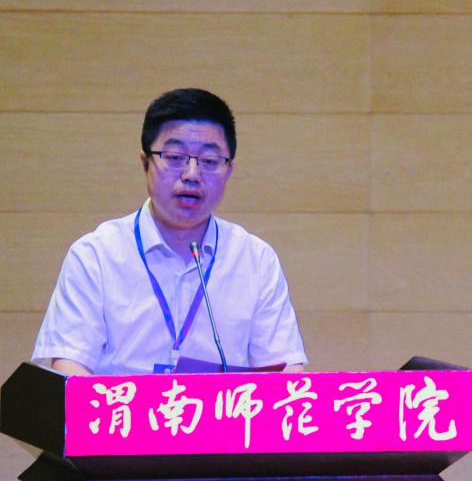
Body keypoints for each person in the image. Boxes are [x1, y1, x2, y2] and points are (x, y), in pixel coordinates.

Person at [32, 88, 307, 375]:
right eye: (175, 157)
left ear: (228, 170)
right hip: (119, 405)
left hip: (219, 407)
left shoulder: (255, 259)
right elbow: (70, 366)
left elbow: (286, 371)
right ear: (145, 163)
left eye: (209, 161)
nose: (192, 174)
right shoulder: (95, 256)